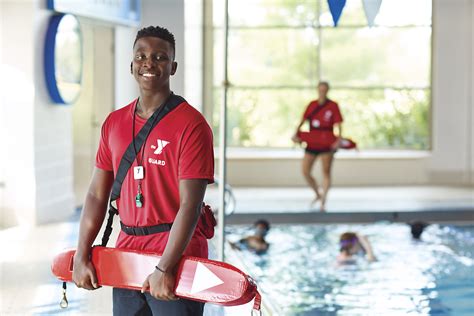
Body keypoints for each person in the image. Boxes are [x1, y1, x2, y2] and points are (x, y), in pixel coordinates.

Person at [71, 26, 214, 316]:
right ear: (132, 66)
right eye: (142, 56)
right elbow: (97, 195)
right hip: (128, 253)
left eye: (160, 57)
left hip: (175, 254)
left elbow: (191, 204)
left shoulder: (191, 125)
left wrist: (165, 266)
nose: (150, 63)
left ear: (173, 67)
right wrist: (81, 253)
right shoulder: (113, 123)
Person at [292, 82, 343, 212]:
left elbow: (339, 124)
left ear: (328, 91)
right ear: (317, 90)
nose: (322, 92)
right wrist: (296, 134)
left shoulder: (333, 105)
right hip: (313, 141)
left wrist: (338, 140)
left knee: (326, 171)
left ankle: (323, 201)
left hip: (327, 141)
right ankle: (317, 194)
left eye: (324, 90)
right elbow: (302, 121)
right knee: (305, 171)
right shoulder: (312, 105)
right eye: (320, 90)